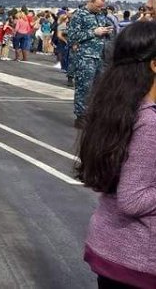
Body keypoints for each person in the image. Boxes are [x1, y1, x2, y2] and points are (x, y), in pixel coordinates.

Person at [76, 20, 156, 288]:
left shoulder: (120, 107)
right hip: (139, 259)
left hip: (112, 250)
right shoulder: (149, 123)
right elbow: (132, 200)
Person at [66, 0, 113, 128]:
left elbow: (102, 33)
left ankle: (93, 114)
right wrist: (93, 32)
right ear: (90, 1)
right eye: (98, 6)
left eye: (101, 7)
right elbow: (72, 36)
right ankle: (81, 116)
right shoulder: (79, 15)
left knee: (98, 88)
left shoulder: (101, 15)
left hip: (100, 56)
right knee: (84, 87)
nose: (100, 9)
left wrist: (105, 32)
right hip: (85, 57)